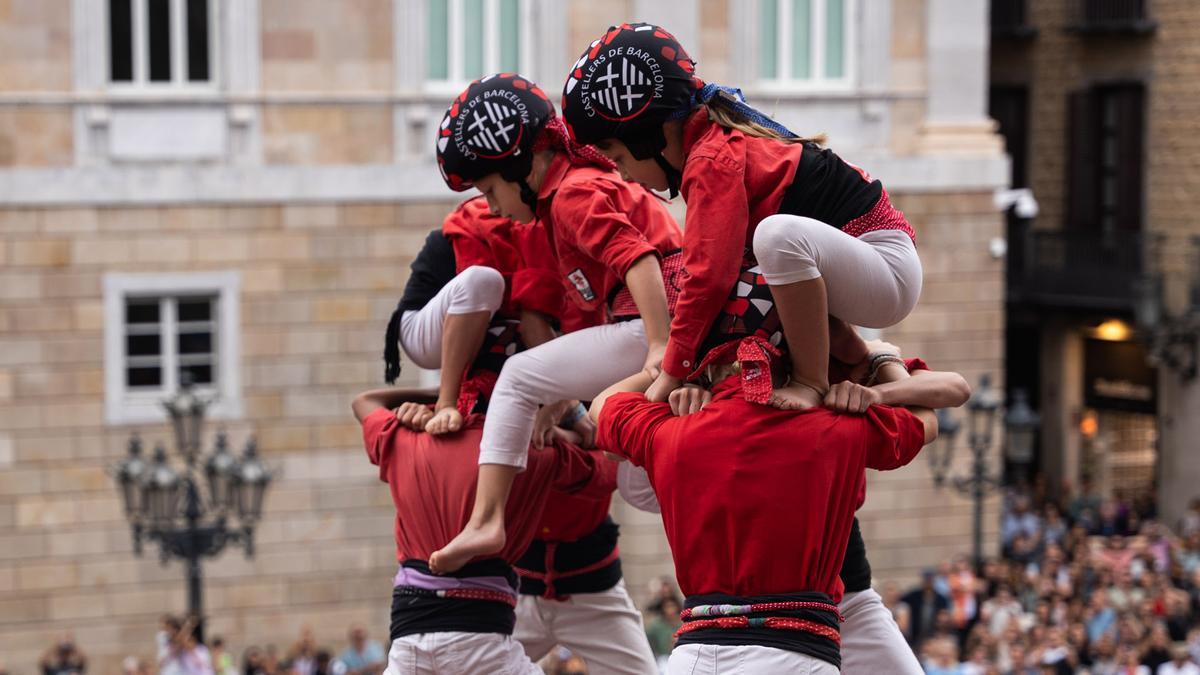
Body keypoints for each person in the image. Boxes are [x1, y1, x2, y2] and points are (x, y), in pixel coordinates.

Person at [562, 22, 921, 412]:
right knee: (752, 267)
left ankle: (810, 381)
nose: (624, 175)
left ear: (647, 137)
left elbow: (708, 277)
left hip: (885, 269)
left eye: (618, 158)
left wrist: (674, 370)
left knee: (773, 238)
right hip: (862, 266)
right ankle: (865, 358)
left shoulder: (710, 160)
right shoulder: (710, 147)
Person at [428, 73, 681, 574]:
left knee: (517, 376)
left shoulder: (572, 195)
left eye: (490, 189)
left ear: (519, 166)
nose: (492, 207)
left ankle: (487, 519)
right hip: (651, 322)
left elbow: (640, 259)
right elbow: (585, 331)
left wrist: (660, 347)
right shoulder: (567, 196)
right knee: (637, 485)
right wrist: (560, 400)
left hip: (653, 323)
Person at [589, 337, 949, 673]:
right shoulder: (836, 426)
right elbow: (926, 420)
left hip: (696, 658)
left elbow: (602, 406)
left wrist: (667, 369)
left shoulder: (669, 430)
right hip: (797, 656)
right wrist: (883, 362)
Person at [352, 378, 615, 674]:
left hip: (409, 643)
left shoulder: (404, 438)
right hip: (484, 643)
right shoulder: (532, 450)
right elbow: (606, 470)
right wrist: (568, 419)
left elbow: (364, 402)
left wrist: (439, 395)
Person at [383, 196, 576, 435]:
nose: (493, 205)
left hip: (491, 332)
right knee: (485, 280)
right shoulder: (526, 229)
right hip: (425, 331)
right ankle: (446, 403)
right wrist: (569, 402)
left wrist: (569, 407)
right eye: (489, 192)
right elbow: (532, 324)